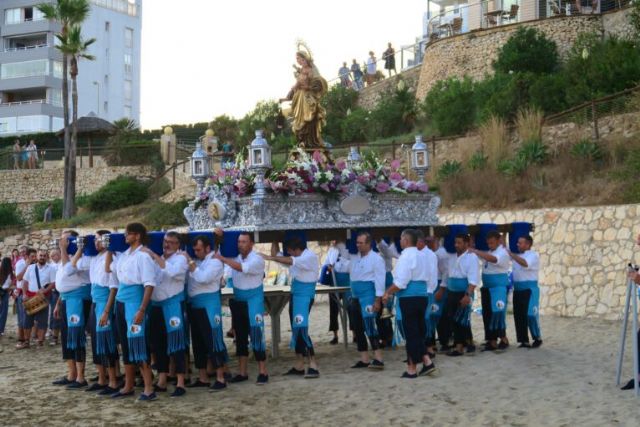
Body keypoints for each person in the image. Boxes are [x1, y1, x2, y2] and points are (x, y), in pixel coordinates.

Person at [214, 231, 269, 385]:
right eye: (239, 242)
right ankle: (242, 372)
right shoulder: (234, 258)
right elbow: (226, 274)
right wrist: (218, 239)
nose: (240, 245)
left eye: (244, 241)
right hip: (238, 299)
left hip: (254, 300)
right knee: (241, 337)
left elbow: (241, 268)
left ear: (251, 243)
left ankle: (263, 371)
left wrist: (223, 258)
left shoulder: (257, 259)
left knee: (257, 334)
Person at [111, 223, 157, 401]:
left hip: (134, 303)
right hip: (122, 302)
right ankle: (128, 385)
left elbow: (149, 285)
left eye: (127, 234)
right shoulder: (124, 255)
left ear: (137, 236)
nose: (124, 236)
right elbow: (112, 270)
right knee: (126, 344)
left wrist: (141, 309)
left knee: (139, 344)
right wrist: (109, 249)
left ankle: (148, 388)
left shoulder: (143, 256)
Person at [261, 237, 320, 378]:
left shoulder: (308, 256)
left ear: (296, 250)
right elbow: (278, 256)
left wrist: (267, 257)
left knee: (302, 327)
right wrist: (273, 238)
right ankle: (299, 364)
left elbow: (288, 260)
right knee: (296, 328)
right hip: (296, 294)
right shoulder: (296, 256)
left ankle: (313, 364)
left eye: (290, 252)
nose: (289, 254)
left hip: (305, 296)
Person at [70, 231, 120, 395]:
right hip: (95, 301)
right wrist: (82, 247)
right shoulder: (93, 258)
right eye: (96, 240)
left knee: (106, 341)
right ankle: (101, 379)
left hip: (104, 302)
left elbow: (113, 287)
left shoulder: (111, 257)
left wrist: (106, 310)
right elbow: (74, 264)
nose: (96, 243)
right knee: (96, 342)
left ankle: (113, 381)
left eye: (99, 240)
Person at [382, 229, 437, 378]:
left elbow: (401, 283)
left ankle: (412, 368)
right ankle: (425, 361)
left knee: (411, 332)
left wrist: (387, 292)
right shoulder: (423, 255)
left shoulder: (406, 257)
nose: (400, 242)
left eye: (401, 239)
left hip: (409, 298)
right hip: (422, 296)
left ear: (405, 240)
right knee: (417, 331)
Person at [144, 231, 190, 396]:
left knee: (177, 344)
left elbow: (172, 272)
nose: (167, 244)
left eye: (171, 242)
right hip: (156, 305)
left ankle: (180, 382)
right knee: (158, 345)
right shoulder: (157, 260)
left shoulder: (181, 258)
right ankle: (162, 379)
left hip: (172, 304)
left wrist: (155, 256)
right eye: (165, 241)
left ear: (178, 245)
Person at [183, 234, 229, 392]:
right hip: (195, 304)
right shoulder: (197, 261)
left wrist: (189, 261)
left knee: (213, 340)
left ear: (208, 248)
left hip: (209, 304)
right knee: (198, 342)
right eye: (194, 250)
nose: (196, 252)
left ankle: (220, 377)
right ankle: (202, 377)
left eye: (199, 249)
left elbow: (203, 278)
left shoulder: (215, 261)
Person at [51, 231, 93, 389]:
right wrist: (58, 303)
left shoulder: (81, 257)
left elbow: (70, 270)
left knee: (76, 336)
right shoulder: (65, 258)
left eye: (66, 239)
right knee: (66, 337)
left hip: (79, 298)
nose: (63, 241)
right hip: (66, 298)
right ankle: (71, 373)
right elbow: (62, 282)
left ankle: (81, 376)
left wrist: (63, 249)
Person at [348, 232, 386, 370]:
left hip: (368, 296)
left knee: (370, 325)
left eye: (361, 243)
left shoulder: (376, 259)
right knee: (357, 327)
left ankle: (378, 357)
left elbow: (380, 280)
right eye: (357, 242)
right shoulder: (355, 258)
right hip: (355, 296)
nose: (358, 245)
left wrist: (378, 300)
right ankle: (364, 358)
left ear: (369, 244)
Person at [471, 230, 511, 352]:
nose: (490, 245)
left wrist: (477, 251)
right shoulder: (489, 251)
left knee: (497, 312)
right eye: (488, 243)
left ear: (499, 241)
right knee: (487, 313)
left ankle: (503, 339)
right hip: (487, 286)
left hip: (498, 287)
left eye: (492, 243)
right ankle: (491, 340)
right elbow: (483, 256)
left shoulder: (503, 252)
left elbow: (493, 259)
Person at [440, 234, 479, 357]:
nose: (456, 245)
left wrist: (467, 295)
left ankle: (462, 346)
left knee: (462, 319)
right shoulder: (451, 256)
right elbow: (447, 274)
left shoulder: (472, 257)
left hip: (464, 292)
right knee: (453, 319)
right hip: (451, 292)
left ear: (467, 244)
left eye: (459, 243)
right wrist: (442, 289)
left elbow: (473, 279)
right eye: (455, 242)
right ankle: (465, 343)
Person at [508, 235, 542, 349]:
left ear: (528, 244)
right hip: (518, 289)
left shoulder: (533, 255)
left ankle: (537, 338)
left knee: (531, 314)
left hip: (529, 289)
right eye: (518, 242)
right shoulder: (517, 256)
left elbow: (525, 264)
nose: (517, 244)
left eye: (520, 243)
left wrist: (512, 255)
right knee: (519, 315)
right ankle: (523, 340)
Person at [22, 249, 56, 346]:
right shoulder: (30, 268)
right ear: (37, 256)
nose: (42, 257)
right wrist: (24, 294)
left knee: (42, 320)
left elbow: (53, 283)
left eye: (44, 256)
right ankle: (26, 341)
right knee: (27, 320)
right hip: (30, 297)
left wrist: (44, 291)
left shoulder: (51, 268)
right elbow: (25, 282)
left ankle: (40, 341)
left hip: (43, 298)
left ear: (47, 257)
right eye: (40, 255)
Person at [416, 232, 440, 358]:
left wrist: (429, 290)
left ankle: (429, 348)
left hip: (427, 291)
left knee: (426, 319)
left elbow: (431, 275)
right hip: (419, 291)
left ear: (421, 242)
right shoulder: (416, 253)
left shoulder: (429, 255)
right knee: (420, 320)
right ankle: (421, 348)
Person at [426, 236, 453, 352]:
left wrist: (442, 288)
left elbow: (446, 272)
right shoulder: (426, 253)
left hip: (439, 284)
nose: (428, 243)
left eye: (430, 241)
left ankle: (444, 341)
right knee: (430, 315)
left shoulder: (441, 254)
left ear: (436, 240)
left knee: (439, 314)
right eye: (426, 241)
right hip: (429, 286)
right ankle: (431, 342)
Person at [323, 240, 351, 344]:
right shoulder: (331, 250)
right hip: (334, 281)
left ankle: (355, 334)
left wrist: (337, 265)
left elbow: (349, 264)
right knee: (333, 309)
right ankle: (335, 335)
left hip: (346, 280)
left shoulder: (348, 248)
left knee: (351, 308)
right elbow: (327, 263)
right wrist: (328, 268)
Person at [376, 238, 400, 347]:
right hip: (376, 279)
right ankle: (384, 338)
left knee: (386, 312)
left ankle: (388, 338)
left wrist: (379, 240)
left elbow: (385, 250)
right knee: (378, 312)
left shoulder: (387, 246)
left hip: (386, 279)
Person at [14, 246, 30, 349]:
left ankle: (28, 339)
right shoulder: (19, 264)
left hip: (32, 292)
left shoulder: (34, 262)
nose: (22, 253)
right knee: (21, 317)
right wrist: (27, 266)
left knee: (29, 317)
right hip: (21, 293)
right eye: (21, 252)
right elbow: (19, 278)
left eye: (24, 251)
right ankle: (21, 339)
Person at [0, 257, 14, 353]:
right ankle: (1, 329)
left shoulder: (4, 272)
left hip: (3, 292)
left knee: (3, 311)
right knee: (3, 312)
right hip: (4, 292)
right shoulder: (10, 273)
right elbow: (11, 284)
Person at [48, 248, 62, 346]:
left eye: (55, 255)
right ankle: (54, 335)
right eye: (51, 255)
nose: (53, 257)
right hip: (53, 292)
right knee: (53, 314)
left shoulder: (62, 264)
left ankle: (56, 337)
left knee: (58, 314)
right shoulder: (50, 266)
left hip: (61, 291)